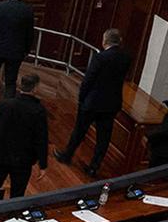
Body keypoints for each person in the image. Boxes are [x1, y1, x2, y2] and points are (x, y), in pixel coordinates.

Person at [55, 27, 132, 177]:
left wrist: (82, 98)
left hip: (93, 101)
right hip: (111, 103)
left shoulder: (100, 58)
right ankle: (94, 167)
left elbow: (88, 80)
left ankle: (67, 155)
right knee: (103, 138)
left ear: (105, 41)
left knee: (79, 130)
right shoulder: (126, 58)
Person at [0, 73, 51, 198]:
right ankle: (13, 216)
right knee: (17, 194)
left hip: (0, 156)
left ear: (20, 85)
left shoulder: (4, 105)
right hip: (23, 160)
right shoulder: (38, 111)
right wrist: (43, 164)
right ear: (35, 88)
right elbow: (41, 139)